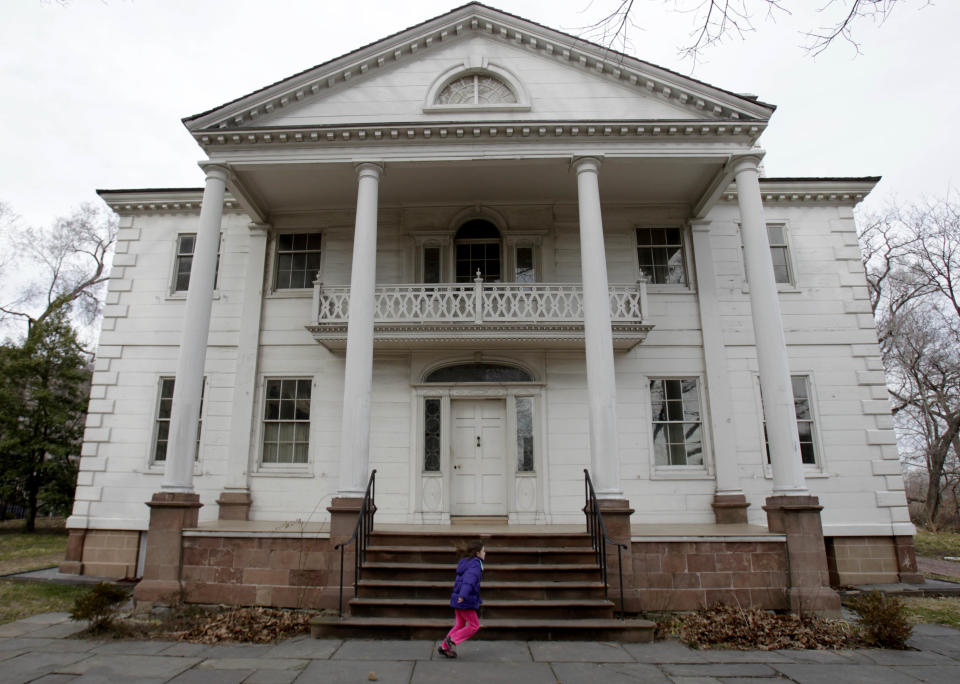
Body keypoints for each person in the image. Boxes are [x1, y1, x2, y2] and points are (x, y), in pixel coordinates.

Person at [438, 539, 485, 658]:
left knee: (460, 624)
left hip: (458, 598)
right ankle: (452, 640)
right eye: (484, 551)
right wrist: (463, 596)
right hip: (465, 600)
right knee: (474, 625)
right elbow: (468, 581)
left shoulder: (466, 562)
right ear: (477, 553)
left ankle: (444, 646)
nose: (485, 553)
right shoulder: (475, 564)